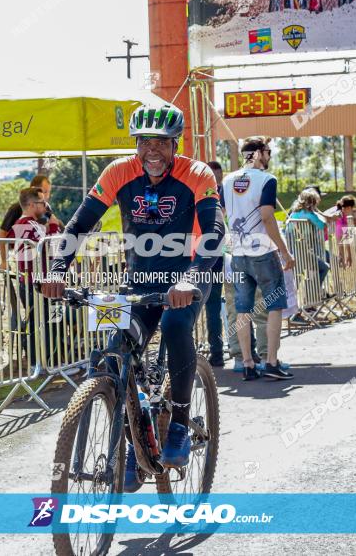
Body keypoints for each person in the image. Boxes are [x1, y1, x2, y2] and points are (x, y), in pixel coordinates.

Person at [41, 103, 225, 490]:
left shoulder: (197, 174)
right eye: (144, 142)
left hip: (189, 273)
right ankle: (132, 442)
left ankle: (177, 423)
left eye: (160, 142)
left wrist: (191, 279)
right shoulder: (119, 172)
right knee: (116, 352)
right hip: (139, 278)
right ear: (135, 145)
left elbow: (214, 233)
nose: (151, 151)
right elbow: (80, 224)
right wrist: (58, 269)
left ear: (175, 144)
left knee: (176, 327)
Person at [221, 136, 294, 381]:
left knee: (243, 308)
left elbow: (222, 214)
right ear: (260, 152)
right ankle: (271, 362)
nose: (269, 156)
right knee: (274, 305)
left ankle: (248, 363)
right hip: (262, 252)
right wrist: (284, 251)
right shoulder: (267, 179)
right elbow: (267, 217)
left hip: (239, 253)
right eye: (269, 152)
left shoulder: (228, 180)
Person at [12, 187, 61, 367]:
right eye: (42, 202)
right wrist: (53, 224)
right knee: (38, 323)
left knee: (48, 321)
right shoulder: (24, 224)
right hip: (34, 281)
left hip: (41, 280)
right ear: (32, 204)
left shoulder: (33, 224)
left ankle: (48, 360)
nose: (45, 205)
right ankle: (38, 361)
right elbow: (52, 243)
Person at [204, 161, 226, 367]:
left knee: (213, 306)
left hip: (216, 257)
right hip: (205, 256)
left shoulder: (221, 192)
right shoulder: (219, 193)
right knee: (213, 306)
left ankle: (216, 351)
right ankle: (215, 351)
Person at [0, 175, 63, 239]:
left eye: (49, 192)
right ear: (34, 189)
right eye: (45, 192)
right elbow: (2, 234)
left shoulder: (47, 208)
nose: (47, 196)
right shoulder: (16, 208)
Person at [289, 188, 330, 285]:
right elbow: (322, 225)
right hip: (303, 252)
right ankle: (312, 292)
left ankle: (292, 297)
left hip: (291, 252)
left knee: (296, 279)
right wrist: (319, 214)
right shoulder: (310, 215)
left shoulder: (293, 214)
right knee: (324, 267)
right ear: (314, 203)